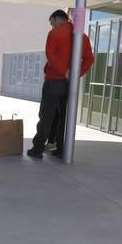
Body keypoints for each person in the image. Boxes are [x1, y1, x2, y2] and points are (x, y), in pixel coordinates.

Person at [27, 10, 94, 159]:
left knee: (46, 116)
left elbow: (50, 55)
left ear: (58, 19)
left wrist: (64, 72)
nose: (52, 26)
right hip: (70, 84)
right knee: (65, 117)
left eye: (52, 22)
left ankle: (37, 149)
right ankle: (61, 149)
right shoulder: (82, 37)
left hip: (53, 81)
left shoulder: (55, 34)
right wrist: (76, 75)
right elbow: (89, 59)